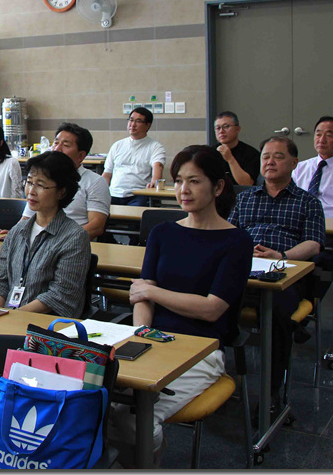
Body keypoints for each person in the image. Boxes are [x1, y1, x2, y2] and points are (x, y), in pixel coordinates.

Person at [110, 145, 253, 466]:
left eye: (194, 181)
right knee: (98, 403)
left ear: (218, 187)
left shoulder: (236, 241)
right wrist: (141, 335)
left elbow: (212, 309)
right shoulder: (163, 233)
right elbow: (141, 297)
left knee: (133, 418)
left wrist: (154, 292)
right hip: (150, 342)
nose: (183, 190)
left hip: (201, 351)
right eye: (178, 181)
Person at [228, 137, 325, 407]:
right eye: (265, 156)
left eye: (278, 156)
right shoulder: (244, 198)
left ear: (294, 163)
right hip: (244, 270)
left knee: (276, 315)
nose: (270, 162)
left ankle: (271, 392)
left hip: (285, 272)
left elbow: (313, 243)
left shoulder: (308, 202)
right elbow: (228, 234)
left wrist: (281, 256)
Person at [0, 151, 90, 318]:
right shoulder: (17, 231)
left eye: (40, 185)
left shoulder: (74, 237)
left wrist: (12, 317)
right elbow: (0, 279)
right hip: (6, 317)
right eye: (29, 182)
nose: (31, 191)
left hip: (45, 323)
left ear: (61, 192)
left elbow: (59, 295)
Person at [17, 123, 110, 239]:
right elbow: (26, 218)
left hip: (74, 244)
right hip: (39, 241)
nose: (57, 149)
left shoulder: (95, 182)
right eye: (56, 143)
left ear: (80, 155)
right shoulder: (41, 179)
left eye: (65, 145)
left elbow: (96, 227)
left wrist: (60, 241)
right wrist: (13, 234)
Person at [102, 107, 166, 206]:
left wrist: (154, 182)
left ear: (148, 125)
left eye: (138, 121)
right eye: (131, 120)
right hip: (113, 194)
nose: (133, 124)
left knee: (137, 209)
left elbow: (158, 167)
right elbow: (107, 174)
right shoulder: (117, 145)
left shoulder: (155, 147)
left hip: (138, 195)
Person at [213, 111, 260, 186]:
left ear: (238, 129)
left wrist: (230, 159)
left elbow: (247, 184)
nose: (221, 131)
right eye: (218, 128)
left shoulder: (251, 154)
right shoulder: (210, 152)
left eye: (226, 126)